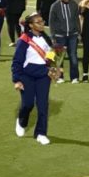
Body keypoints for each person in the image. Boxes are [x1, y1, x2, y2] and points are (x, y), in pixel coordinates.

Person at [12, 13, 56, 145]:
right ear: (31, 25)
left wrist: (53, 68)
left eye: (42, 21)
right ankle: (22, 120)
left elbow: (50, 55)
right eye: (38, 22)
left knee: (43, 106)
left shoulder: (46, 38)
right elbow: (17, 61)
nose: (42, 24)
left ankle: (41, 133)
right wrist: (17, 80)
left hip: (43, 76)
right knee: (28, 104)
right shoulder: (24, 40)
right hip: (27, 76)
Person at [48, 0, 80, 84]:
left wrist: (79, 32)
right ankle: (60, 76)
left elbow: (76, 19)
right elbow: (51, 22)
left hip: (73, 35)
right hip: (59, 36)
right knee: (59, 58)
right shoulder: (55, 6)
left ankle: (74, 77)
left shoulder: (74, 4)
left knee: (73, 57)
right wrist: (53, 36)